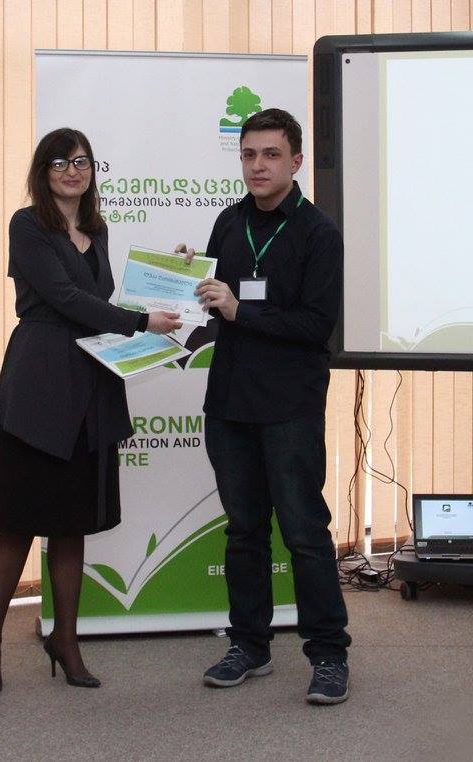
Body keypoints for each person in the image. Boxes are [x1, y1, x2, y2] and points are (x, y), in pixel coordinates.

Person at [0, 128, 181, 696]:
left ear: (92, 171)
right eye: (61, 162)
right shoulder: (27, 224)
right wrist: (140, 322)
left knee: (72, 526)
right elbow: (65, 299)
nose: (73, 171)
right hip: (39, 385)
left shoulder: (98, 228)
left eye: (82, 161)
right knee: (16, 523)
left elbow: (103, 299)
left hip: (90, 383)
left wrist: (173, 279)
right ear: (44, 171)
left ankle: (66, 641)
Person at [177, 108, 350, 705]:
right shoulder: (228, 223)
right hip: (230, 402)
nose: (258, 165)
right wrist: (186, 280)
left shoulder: (318, 233)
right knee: (243, 531)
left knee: (303, 532)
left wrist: (239, 310)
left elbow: (315, 326)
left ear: (296, 161)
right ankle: (249, 645)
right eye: (248, 154)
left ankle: (328, 654)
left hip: (290, 406)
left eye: (271, 154)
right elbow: (213, 309)